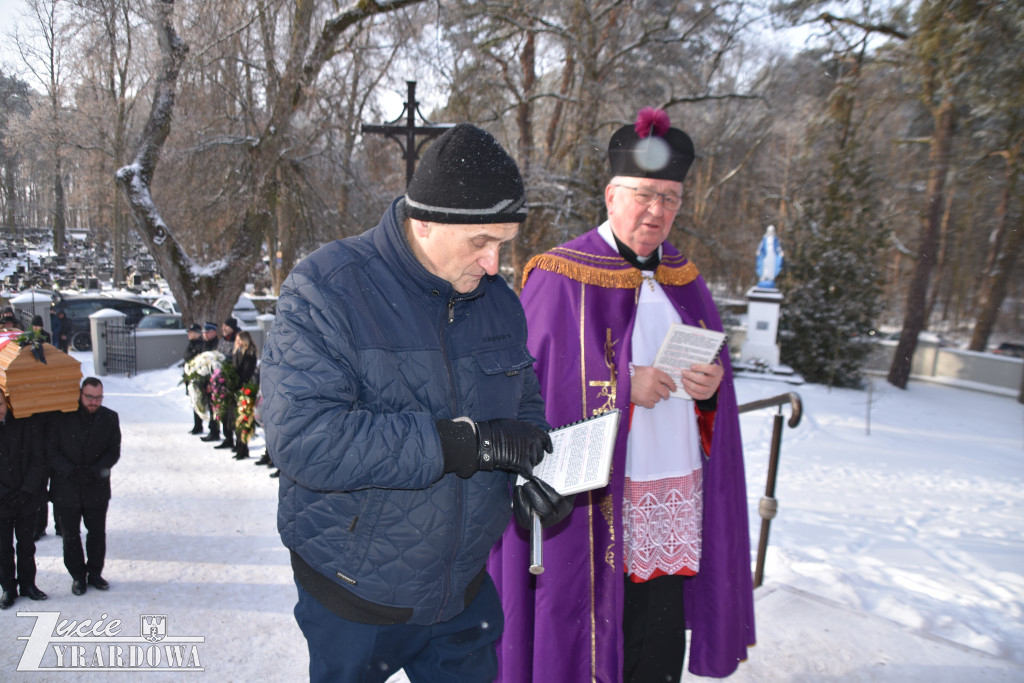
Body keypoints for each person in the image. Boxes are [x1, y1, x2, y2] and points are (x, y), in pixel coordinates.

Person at [260, 123, 568, 683]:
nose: (495, 263)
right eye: (481, 242)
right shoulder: (326, 289)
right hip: (353, 595)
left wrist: (528, 472)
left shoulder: (498, 302)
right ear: (426, 222)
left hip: (463, 590)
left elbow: (523, 399)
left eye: (503, 243)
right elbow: (304, 437)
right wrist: (464, 443)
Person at [489, 108, 756, 682]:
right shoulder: (560, 277)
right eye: (644, 194)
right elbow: (525, 393)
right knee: (583, 640)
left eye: (670, 198)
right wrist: (623, 389)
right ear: (612, 196)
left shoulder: (687, 279)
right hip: (592, 509)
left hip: (671, 498)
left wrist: (710, 394)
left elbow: (716, 402)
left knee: (656, 648)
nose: (657, 210)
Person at [47, 377, 122, 595]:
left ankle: (95, 573)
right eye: (89, 397)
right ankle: (78, 576)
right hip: (66, 487)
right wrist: (71, 471)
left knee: (97, 533)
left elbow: (113, 451)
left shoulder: (109, 418)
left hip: (96, 486)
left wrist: (94, 471)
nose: (93, 402)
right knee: (70, 535)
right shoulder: (61, 417)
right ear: (80, 394)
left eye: (98, 398)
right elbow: (51, 450)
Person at [0, 388, 48, 609]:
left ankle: (28, 584)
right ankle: (8, 588)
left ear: (7, 403)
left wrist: (26, 490)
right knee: (3, 548)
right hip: (2, 500)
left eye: (0, 404)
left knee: (26, 545)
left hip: (27, 498)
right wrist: (6, 493)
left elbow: (38, 459)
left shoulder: (25, 423)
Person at [213, 317, 240, 451]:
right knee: (223, 411)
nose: (223, 328)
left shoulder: (237, 339)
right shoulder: (223, 340)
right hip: (222, 380)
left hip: (233, 380)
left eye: (226, 326)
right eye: (223, 326)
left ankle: (238, 440)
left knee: (233, 413)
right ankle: (227, 437)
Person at [230, 330, 258, 460]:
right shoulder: (237, 352)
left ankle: (243, 447)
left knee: (244, 419)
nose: (238, 342)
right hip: (237, 389)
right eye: (237, 340)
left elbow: (246, 373)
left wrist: (239, 383)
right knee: (237, 419)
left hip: (245, 389)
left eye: (240, 340)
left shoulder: (250, 354)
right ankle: (239, 445)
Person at [199, 323, 222, 443]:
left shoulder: (216, 345)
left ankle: (215, 431)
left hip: (213, 382)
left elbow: (215, 366)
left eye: (208, 332)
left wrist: (211, 382)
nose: (205, 335)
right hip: (205, 381)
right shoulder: (205, 344)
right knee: (209, 406)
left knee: (215, 408)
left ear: (214, 332)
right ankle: (212, 430)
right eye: (204, 333)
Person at [184, 323, 206, 435]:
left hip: (198, 378)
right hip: (191, 377)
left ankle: (200, 425)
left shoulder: (200, 345)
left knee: (199, 401)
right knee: (194, 401)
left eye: (191, 332)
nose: (189, 334)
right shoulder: (191, 344)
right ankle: (197, 425)